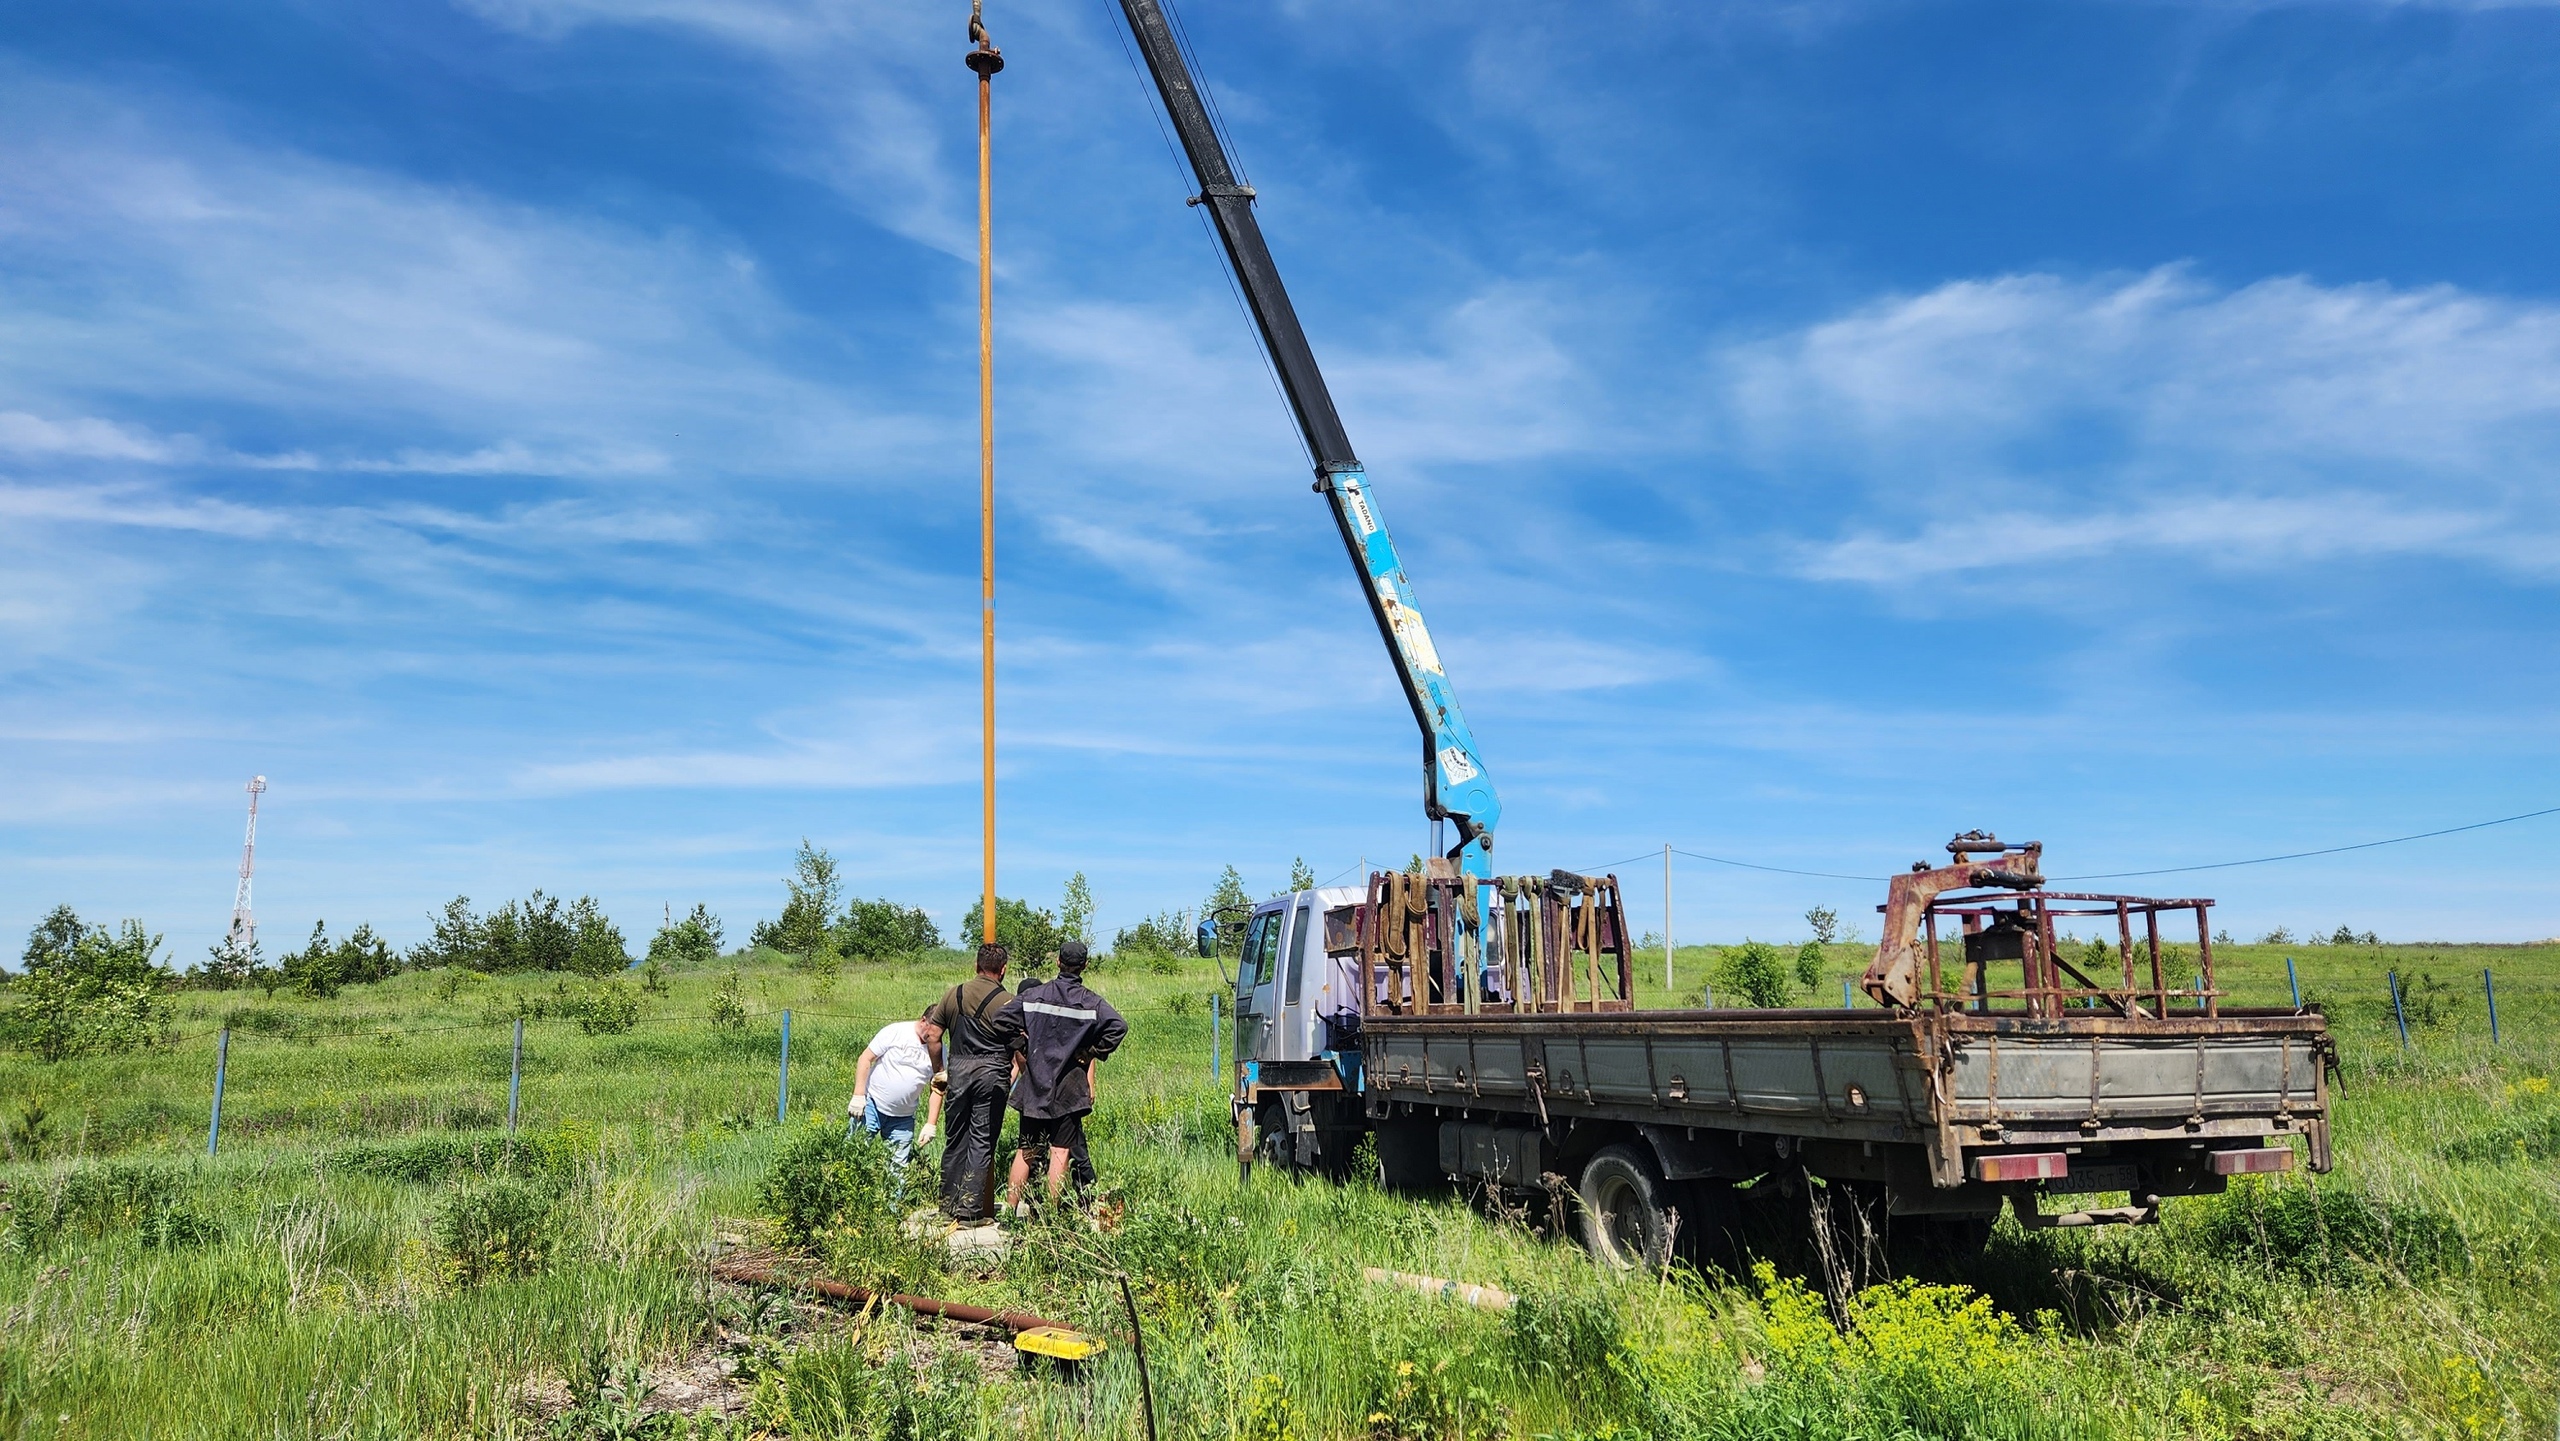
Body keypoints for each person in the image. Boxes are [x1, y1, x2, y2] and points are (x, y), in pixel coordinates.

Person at [1003, 940, 1127, 1212]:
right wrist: (1091, 1051)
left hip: (1035, 1085)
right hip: (1068, 1089)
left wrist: (1020, 1045)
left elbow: (1001, 1019)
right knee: (1060, 1152)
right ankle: (1052, 1215)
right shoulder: (1090, 1001)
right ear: (1084, 965)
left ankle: (1010, 1213)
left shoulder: (1035, 995)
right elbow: (1119, 1026)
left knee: (1026, 1151)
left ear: (1058, 962)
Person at [929, 942, 1023, 1225]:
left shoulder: (953, 994)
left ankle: (947, 1209)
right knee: (982, 1140)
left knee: (955, 1138)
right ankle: (969, 1212)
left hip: (958, 1070)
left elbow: (933, 1036)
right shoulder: (1008, 1001)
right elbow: (1020, 1044)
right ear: (1003, 969)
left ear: (976, 965)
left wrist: (940, 1071)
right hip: (992, 1074)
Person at [847, 1008, 944, 1168]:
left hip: (902, 1119)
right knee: (853, 1156)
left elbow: (938, 1086)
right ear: (923, 1020)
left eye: (938, 1034)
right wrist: (858, 1095)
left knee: (897, 1171)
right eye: (930, 1033)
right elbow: (865, 1058)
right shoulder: (896, 1032)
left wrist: (931, 1124)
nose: (932, 1038)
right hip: (872, 1106)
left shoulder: (938, 1051)